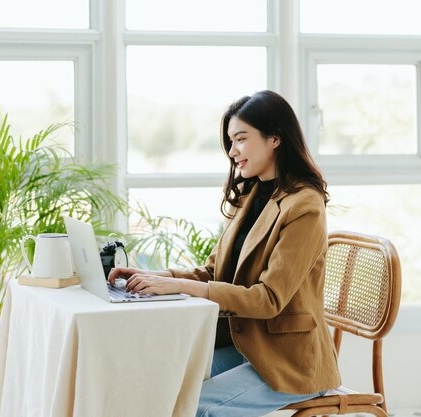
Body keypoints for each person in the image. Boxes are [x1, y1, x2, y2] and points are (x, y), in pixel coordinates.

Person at [108, 90, 341, 417]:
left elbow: (269, 299)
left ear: (274, 139)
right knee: (162, 385)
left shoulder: (304, 207)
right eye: (230, 142)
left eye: (240, 139)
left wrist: (180, 287)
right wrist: (160, 277)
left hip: (290, 360)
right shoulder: (252, 195)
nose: (232, 152)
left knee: (198, 408)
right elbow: (214, 273)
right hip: (247, 346)